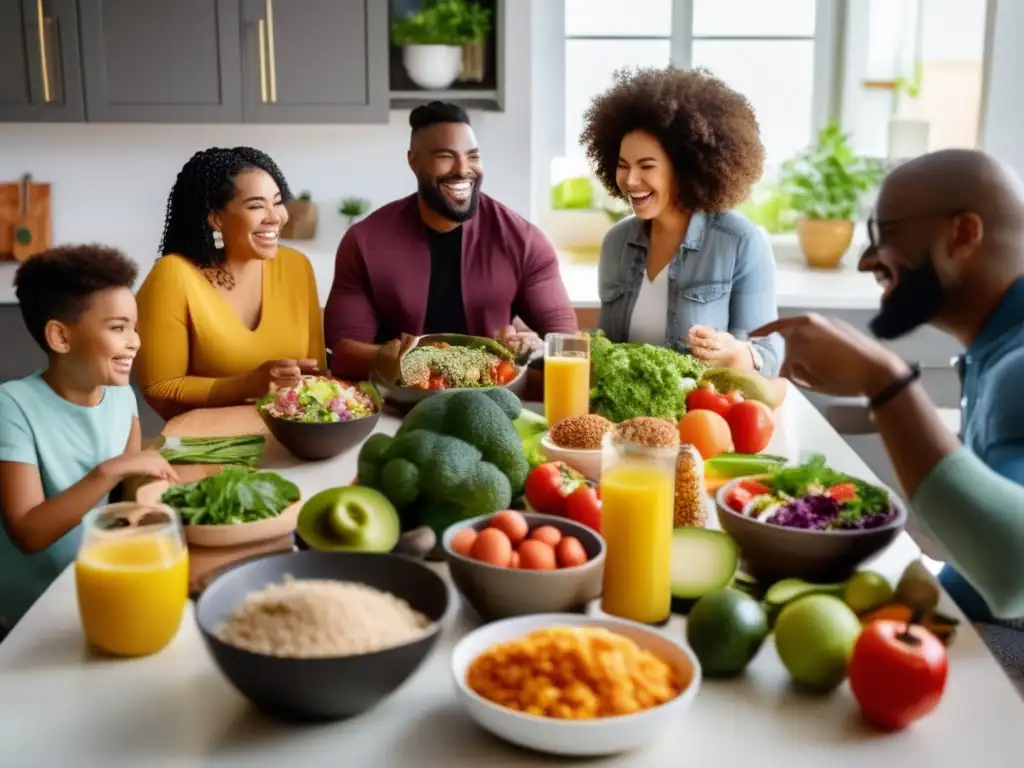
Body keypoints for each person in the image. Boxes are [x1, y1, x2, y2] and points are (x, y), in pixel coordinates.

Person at [752, 148, 1024, 676]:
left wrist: (885, 382)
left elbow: (1014, 567)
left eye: (887, 234)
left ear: (962, 234)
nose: (866, 261)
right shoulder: (1000, 353)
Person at [324, 101, 578, 379]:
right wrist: (413, 360)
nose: (463, 169)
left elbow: (569, 346)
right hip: (396, 406)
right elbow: (342, 353)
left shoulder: (524, 241)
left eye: (473, 156)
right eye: (446, 156)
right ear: (414, 161)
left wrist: (531, 348)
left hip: (495, 401)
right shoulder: (364, 241)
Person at [0, 246, 179, 635]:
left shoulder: (120, 394)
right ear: (60, 337)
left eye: (133, 327)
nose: (134, 342)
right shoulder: (11, 405)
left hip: (95, 575)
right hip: (30, 610)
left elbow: (126, 491)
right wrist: (111, 469)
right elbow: (29, 533)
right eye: (117, 328)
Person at [579, 66, 782, 375]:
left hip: (704, 417)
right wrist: (556, 346)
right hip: (626, 419)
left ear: (685, 168)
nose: (631, 180)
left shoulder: (739, 241)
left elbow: (768, 353)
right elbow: (609, 346)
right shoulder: (616, 243)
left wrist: (734, 353)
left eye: (646, 166)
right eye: (622, 165)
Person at [135, 147, 326, 421]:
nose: (275, 217)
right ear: (216, 219)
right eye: (257, 205)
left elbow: (315, 373)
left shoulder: (296, 266)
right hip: (205, 442)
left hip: (290, 435)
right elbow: (160, 388)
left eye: (277, 201)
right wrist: (248, 385)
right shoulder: (173, 275)